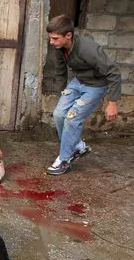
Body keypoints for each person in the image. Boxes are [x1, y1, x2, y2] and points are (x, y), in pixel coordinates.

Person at [45, 14, 121, 175]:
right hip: (78, 82)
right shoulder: (60, 48)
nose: (51, 42)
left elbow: (114, 73)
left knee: (72, 119)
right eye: (50, 38)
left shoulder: (89, 50)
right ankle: (78, 146)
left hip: (95, 86)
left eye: (55, 38)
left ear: (68, 36)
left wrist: (112, 102)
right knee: (59, 114)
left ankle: (64, 159)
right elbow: (60, 71)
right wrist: (62, 94)